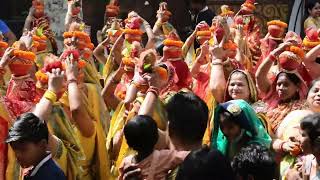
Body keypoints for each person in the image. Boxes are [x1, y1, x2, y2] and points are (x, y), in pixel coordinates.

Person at [118, 115, 189, 180]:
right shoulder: (164, 157)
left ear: (128, 144)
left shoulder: (126, 162)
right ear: (156, 137)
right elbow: (188, 156)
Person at [5, 113, 66, 180]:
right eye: (15, 149)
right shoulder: (42, 170)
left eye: (23, 149)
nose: (17, 155)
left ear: (42, 145)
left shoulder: (48, 175)